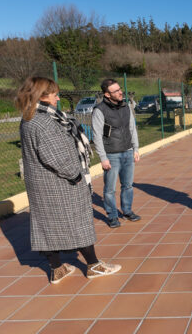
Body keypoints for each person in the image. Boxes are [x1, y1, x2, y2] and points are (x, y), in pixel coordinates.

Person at [16, 77, 121, 284]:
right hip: (60, 183)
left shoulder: (31, 117)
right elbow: (55, 157)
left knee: (48, 226)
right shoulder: (43, 121)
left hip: (43, 184)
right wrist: (76, 175)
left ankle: (57, 269)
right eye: (54, 93)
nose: (57, 97)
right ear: (42, 95)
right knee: (78, 223)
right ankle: (93, 265)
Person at [92, 79, 141, 228]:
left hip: (127, 152)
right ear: (107, 94)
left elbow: (132, 128)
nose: (120, 93)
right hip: (111, 155)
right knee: (110, 189)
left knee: (128, 185)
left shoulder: (126, 106)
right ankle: (112, 216)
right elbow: (97, 135)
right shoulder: (99, 110)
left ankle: (127, 211)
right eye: (116, 91)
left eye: (120, 90)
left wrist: (136, 148)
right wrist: (103, 157)